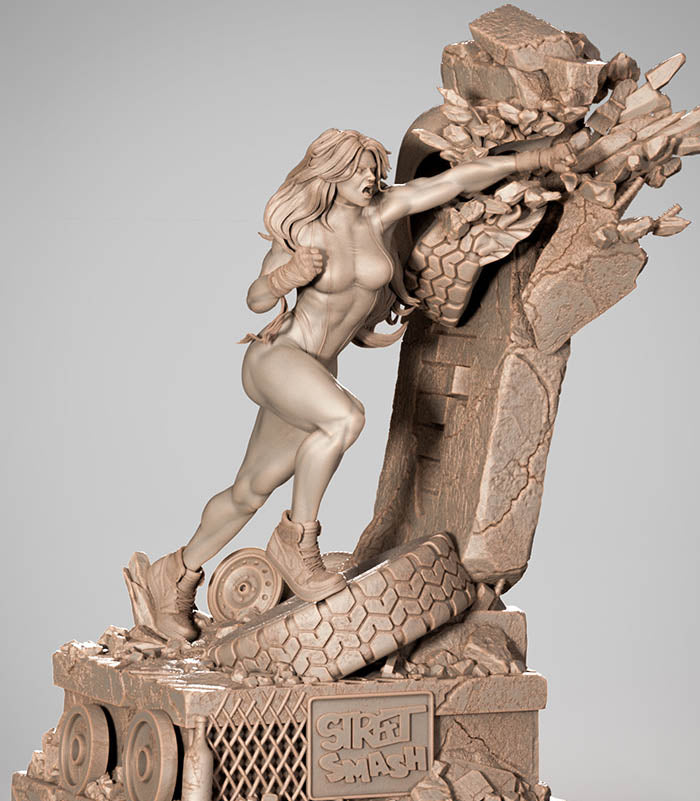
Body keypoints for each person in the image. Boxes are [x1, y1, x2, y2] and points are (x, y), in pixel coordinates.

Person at [132, 127, 574, 640]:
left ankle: (174, 576)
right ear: (332, 174)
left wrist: (537, 158)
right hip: (278, 359)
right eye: (357, 168)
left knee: (249, 491)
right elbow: (256, 299)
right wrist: (288, 275)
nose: (369, 177)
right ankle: (297, 542)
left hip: (315, 372)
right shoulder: (306, 231)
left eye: (373, 168)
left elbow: (455, 181)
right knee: (346, 418)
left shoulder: (382, 213)